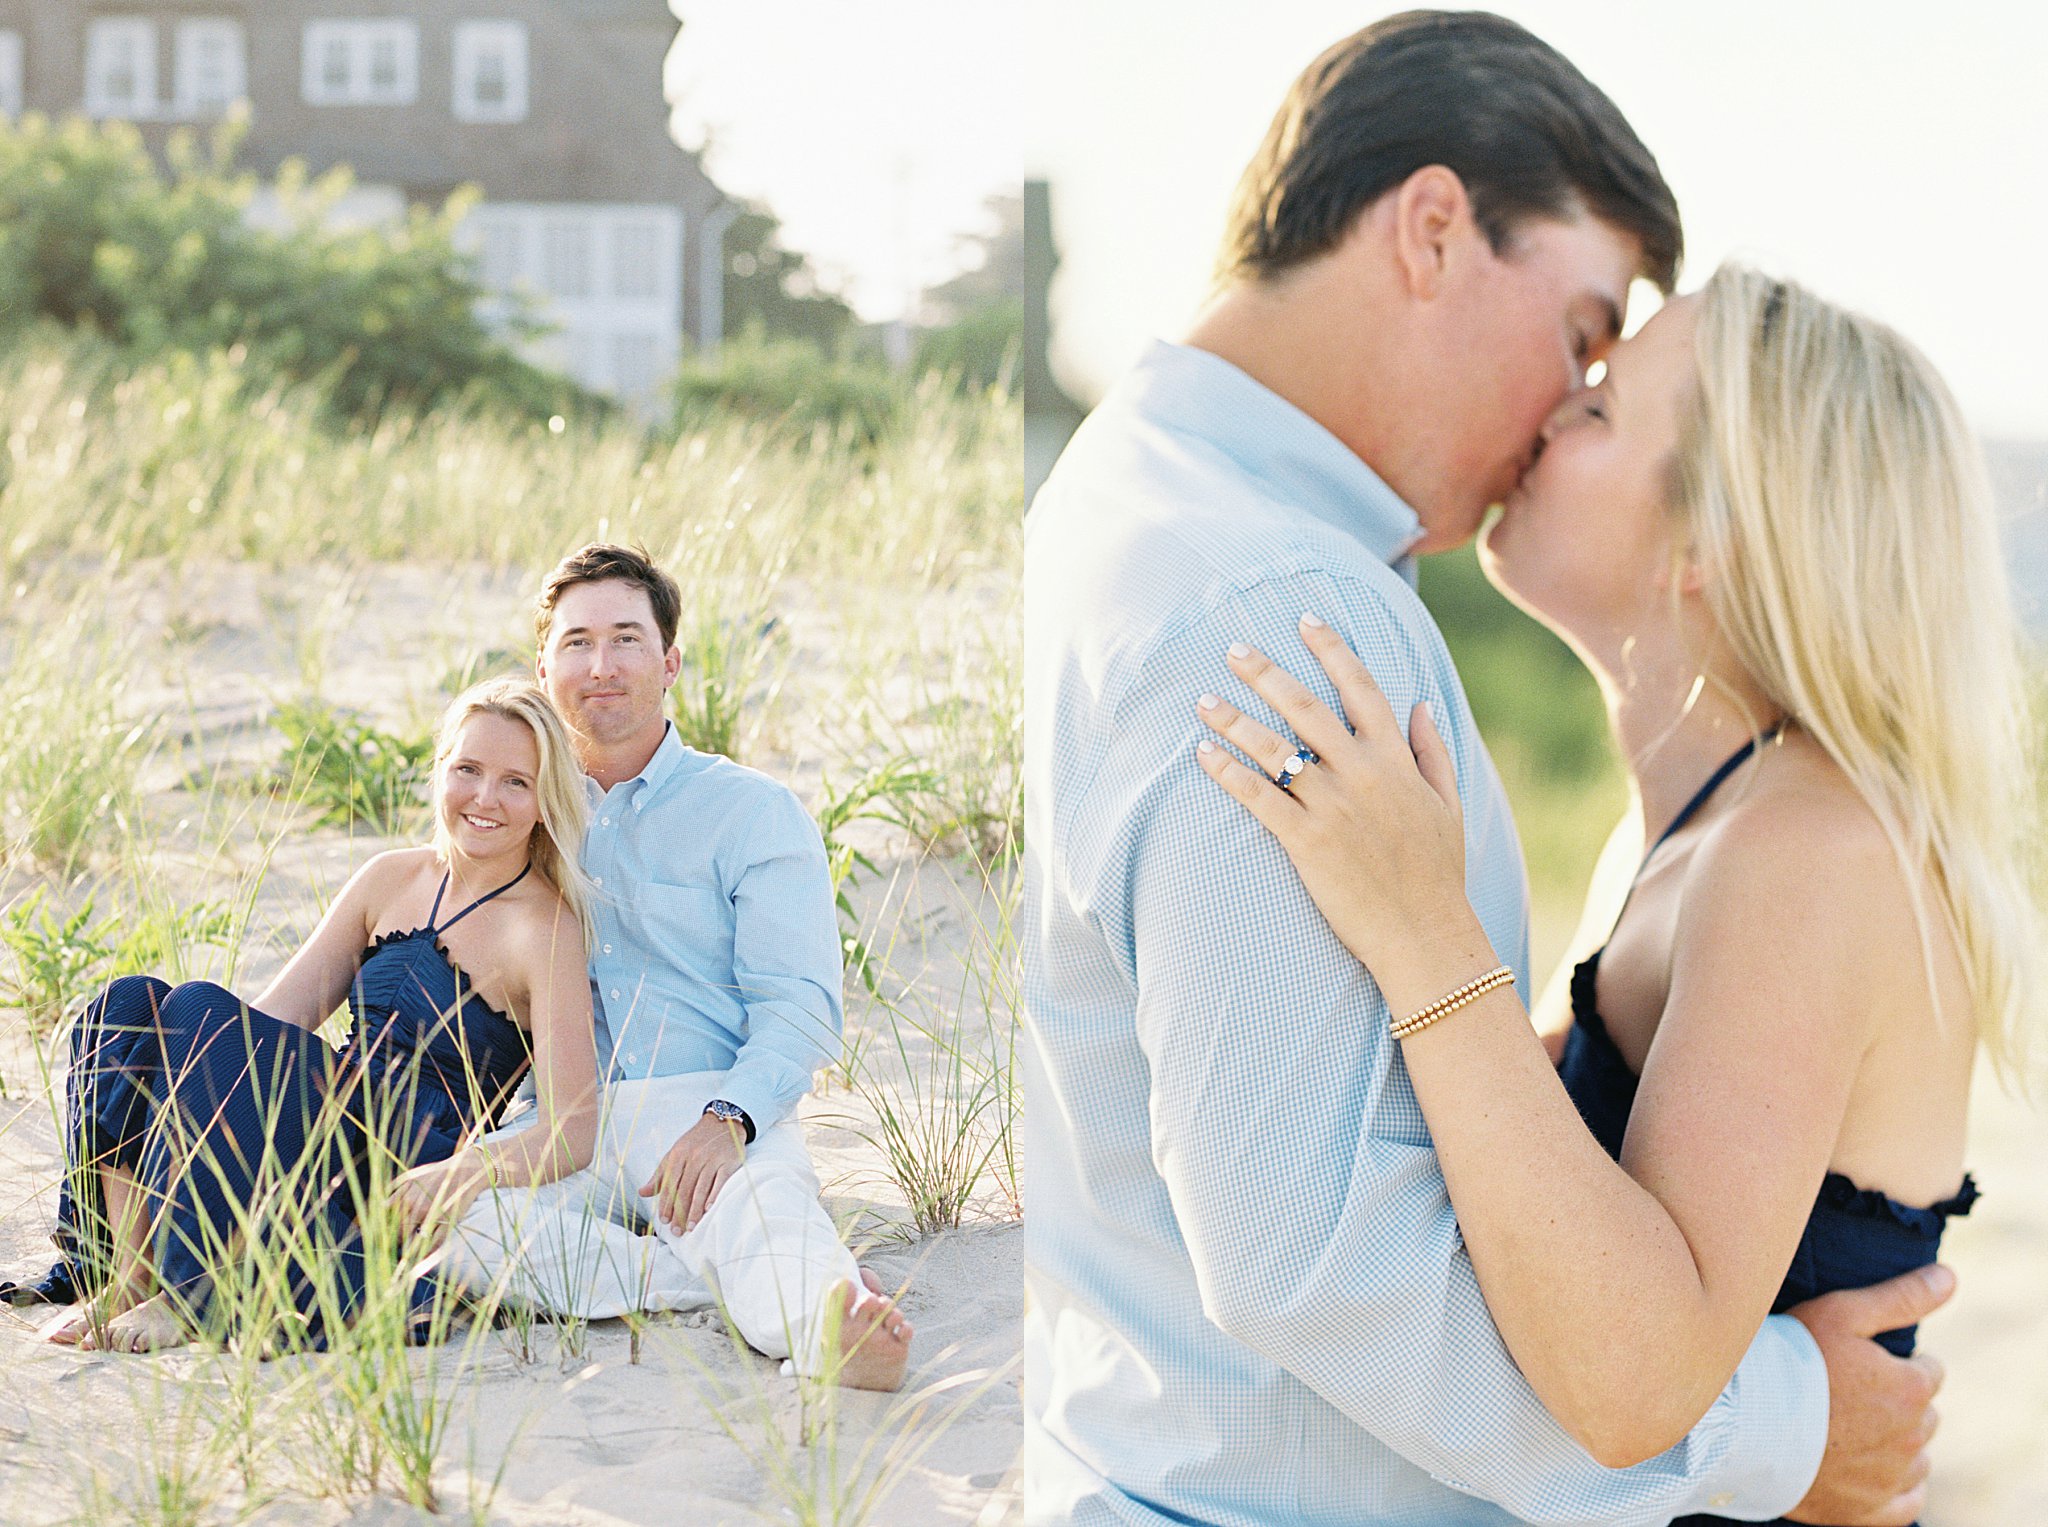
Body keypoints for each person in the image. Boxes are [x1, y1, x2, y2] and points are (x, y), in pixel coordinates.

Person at [1024, 13, 1949, 1525]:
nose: (1556, 407)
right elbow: (1321, 1253)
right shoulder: (1287, 618)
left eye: (1604, 385)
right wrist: (1786, 1421)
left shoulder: (1114, 502)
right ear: (1435, 230)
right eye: (1584, 337)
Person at [1195, 263, 2038, 1519]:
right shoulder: (1690, 833)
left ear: (1711, 543)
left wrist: (1424, 933)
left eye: (1595, 409)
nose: (1547, 411)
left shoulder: (1804, 857)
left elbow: (1634, 1379)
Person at [5, 679, 602, 1353]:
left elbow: (573, 1126)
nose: (485, 798)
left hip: (397, 1156)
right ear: (442, 769)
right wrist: (167, 1068)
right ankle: (130, 1272)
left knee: (195, 1006)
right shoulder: (392, 876)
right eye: (468, 769)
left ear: (545, 800)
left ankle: (191, 1291)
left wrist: (461, 1173)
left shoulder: (544, 927)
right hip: (319, 1111)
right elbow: (273, 1020)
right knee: (130, 1004)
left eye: (516, 781)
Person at [440, 543, 912, 1392]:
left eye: (626, 638)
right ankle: (691, 1280)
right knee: (460, 1225)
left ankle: (830, 1323)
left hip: (704, 1099)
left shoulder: (751, 812)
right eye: (577, 643)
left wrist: (727, 1119)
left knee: (758, 1214)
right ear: (544, 669)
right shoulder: (517, 807)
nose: (602, 664)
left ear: (671, 661)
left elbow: (800, 1006)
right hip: (560, 1116)